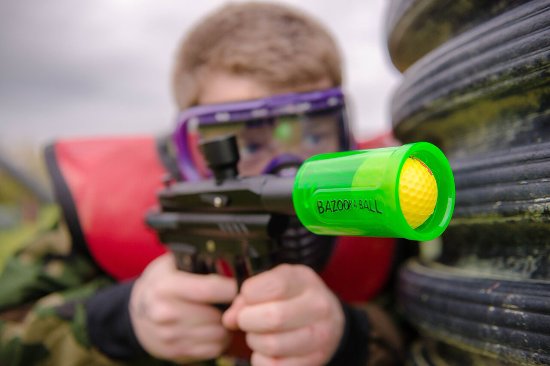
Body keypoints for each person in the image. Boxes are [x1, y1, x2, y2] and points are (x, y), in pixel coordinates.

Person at [0, 2, 403, 365]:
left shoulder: (393, 205)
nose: (286, 168)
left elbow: (438, 332)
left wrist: (352, 337)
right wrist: (121, 321)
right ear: (191, 151)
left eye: (314, 137)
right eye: (246, 142)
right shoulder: (99, 214)